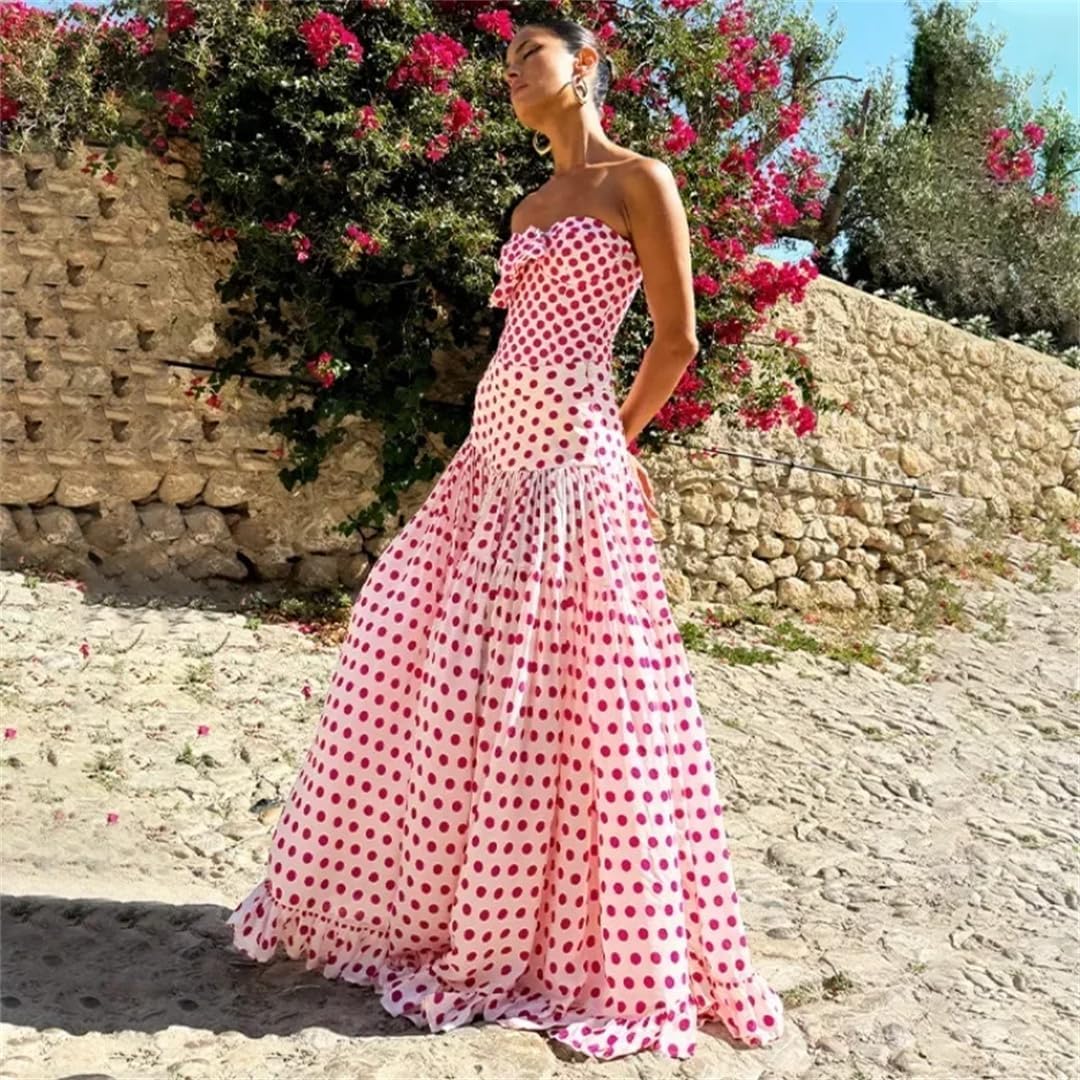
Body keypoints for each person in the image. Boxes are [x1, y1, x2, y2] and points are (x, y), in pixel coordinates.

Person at [225, 16, 785, 1063]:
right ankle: (444, 904)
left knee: (567, 696)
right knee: (436, 664)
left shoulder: (640, 181)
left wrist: (613, 442)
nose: (513, 72)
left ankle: (571, 939)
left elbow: (676, 341)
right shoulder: (528, 206)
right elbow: (517, 339)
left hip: (572, 465)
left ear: (585, 66)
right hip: (488, 462)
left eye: (531, 54)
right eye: (507, 60)